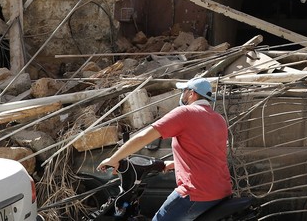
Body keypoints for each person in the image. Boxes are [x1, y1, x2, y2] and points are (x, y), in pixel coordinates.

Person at [97, 77, 231, 221]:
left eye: (184, 91)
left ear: (192, 94)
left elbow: (143, 137)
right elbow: (210, 152)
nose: (182, 94)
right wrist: (174, 164)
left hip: (196, 192)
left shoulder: (185, 113)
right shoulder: (218, 119)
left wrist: (113, 159)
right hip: (222, 190)